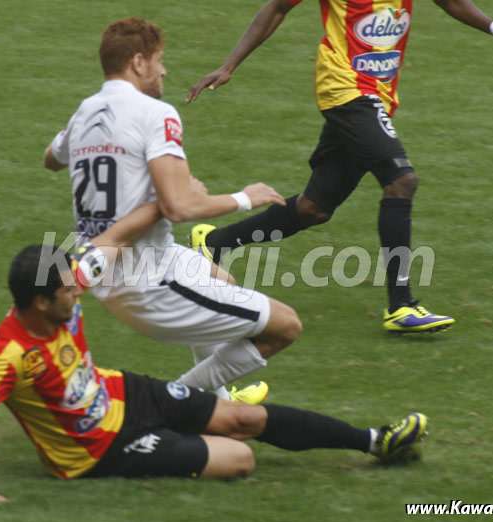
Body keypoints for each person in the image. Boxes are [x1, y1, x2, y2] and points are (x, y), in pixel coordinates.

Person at [0, 213, 429, 502]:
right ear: (41, 303)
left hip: (124, 393)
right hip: (100, 452)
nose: (79, 291)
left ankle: (375, 441)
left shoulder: (62, 293)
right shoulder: (9, 354)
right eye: (69, 289)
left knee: (241, 416)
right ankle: (174, 440)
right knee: (239, 459)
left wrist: (164, 201)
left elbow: (111, 241)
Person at [185, 0, 493, 334]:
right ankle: (401, 307)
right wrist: (228, 66)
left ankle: (214, 242)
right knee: (402, 181)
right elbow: (277, 8)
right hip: (345, 91)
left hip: (379, 95)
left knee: (315, 209)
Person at [42, 17, 303, 404]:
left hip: (106, 266)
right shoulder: (156, 114)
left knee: (222, 282)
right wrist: (245, 197)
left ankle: (218, 402)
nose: (164, 70)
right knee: (285, 327)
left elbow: (51, 158)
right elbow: (178, 206)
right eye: (159, 60)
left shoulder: (85, 113)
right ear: (137, 63)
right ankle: (177, 404)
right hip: (147, 279)